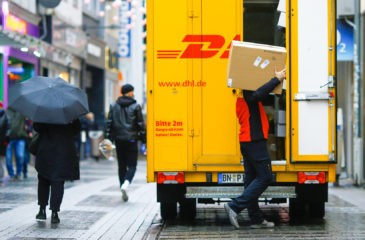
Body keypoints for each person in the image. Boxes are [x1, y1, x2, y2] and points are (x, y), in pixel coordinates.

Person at [224, 67, 286, 229]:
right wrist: (276, 79)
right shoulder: (248, 93)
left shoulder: (243, 94)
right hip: (254, 141)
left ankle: (256, 219)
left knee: (251, 180)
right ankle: (235, 206)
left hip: (248, 142)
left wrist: (275, 80)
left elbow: (263, 93)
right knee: (265, 177)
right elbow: (259, 93)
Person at [33, 120, 81, 224]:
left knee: (43, 180)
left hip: (45, 149)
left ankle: (42, 211)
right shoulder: (69, 112)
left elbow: (37, 127)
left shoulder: (45, 110)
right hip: (63, 150)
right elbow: (76, 129)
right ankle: (54, 213)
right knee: (58, 182)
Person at [105, 84, 146, 202]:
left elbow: (109, 124)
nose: (133, 93)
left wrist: (109, 139)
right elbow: (140, 125)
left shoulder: (113, 106)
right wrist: (144, 139)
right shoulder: (135, 106)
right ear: (128, 93)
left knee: (121, 165)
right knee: (132, 165)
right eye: (132, 92)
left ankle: (122, 184)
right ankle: (126, 183)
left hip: (119, 140)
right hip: (132, 139)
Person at [5, 108, 27, 181]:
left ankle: (19, 173)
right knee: (8, 158)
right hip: (9, 138)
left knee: (20, 156)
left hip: (20, 137)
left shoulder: (22, 111)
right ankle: (11, 174)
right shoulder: (7, 112)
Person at [0, 101, 8, 183]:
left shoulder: (5, 116)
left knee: (1, 160)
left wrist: (6, 140)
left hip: (2, 142)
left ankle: (1, 177)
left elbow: (8, 128)